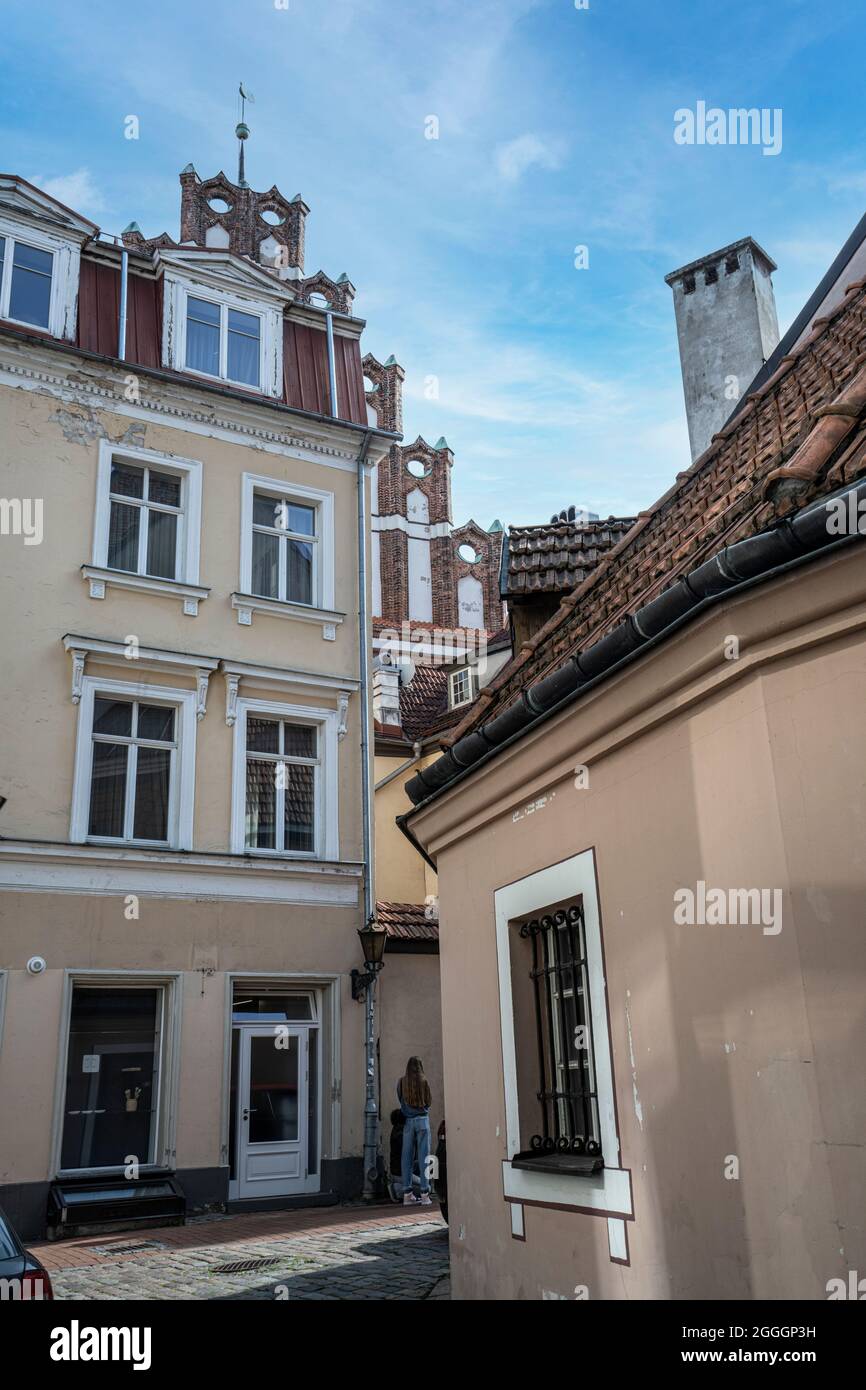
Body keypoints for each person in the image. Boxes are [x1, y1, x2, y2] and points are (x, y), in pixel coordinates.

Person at [397, 1056, 432, 1206]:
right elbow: (429, 1101)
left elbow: (400, 1099)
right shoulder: (424, 1081)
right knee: (425, 1158)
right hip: (423, 1120)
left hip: (408, 1122)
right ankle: (425, 1194)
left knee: (406, 1158)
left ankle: (407, 1194)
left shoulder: (401, 1082)